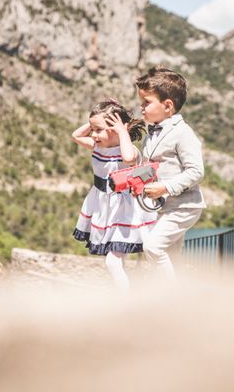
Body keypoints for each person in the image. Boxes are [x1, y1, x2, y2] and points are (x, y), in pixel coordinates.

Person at [72, 100, 157, 292]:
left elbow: (128, 159)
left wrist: (121, 130)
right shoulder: (97, 147)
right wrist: (97, 120)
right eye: (92, 130)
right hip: (104, 206)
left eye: (98, 130)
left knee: (113, 262)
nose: (93, 135)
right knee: (117, 261)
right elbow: (75, 135)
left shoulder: (127, 150)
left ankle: (124, 300)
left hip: (123, 210)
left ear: (115, 129)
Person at [136, 65, 206, 279]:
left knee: (152, 247)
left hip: (185, 206)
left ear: (168, 106)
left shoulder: (183, 133)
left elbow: (196, 171)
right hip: (167, 207)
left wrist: (165, 187)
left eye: (146, 103)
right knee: (171, 256)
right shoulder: (151, 135)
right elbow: (151, 168)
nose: (141, 108)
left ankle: (169, 299)